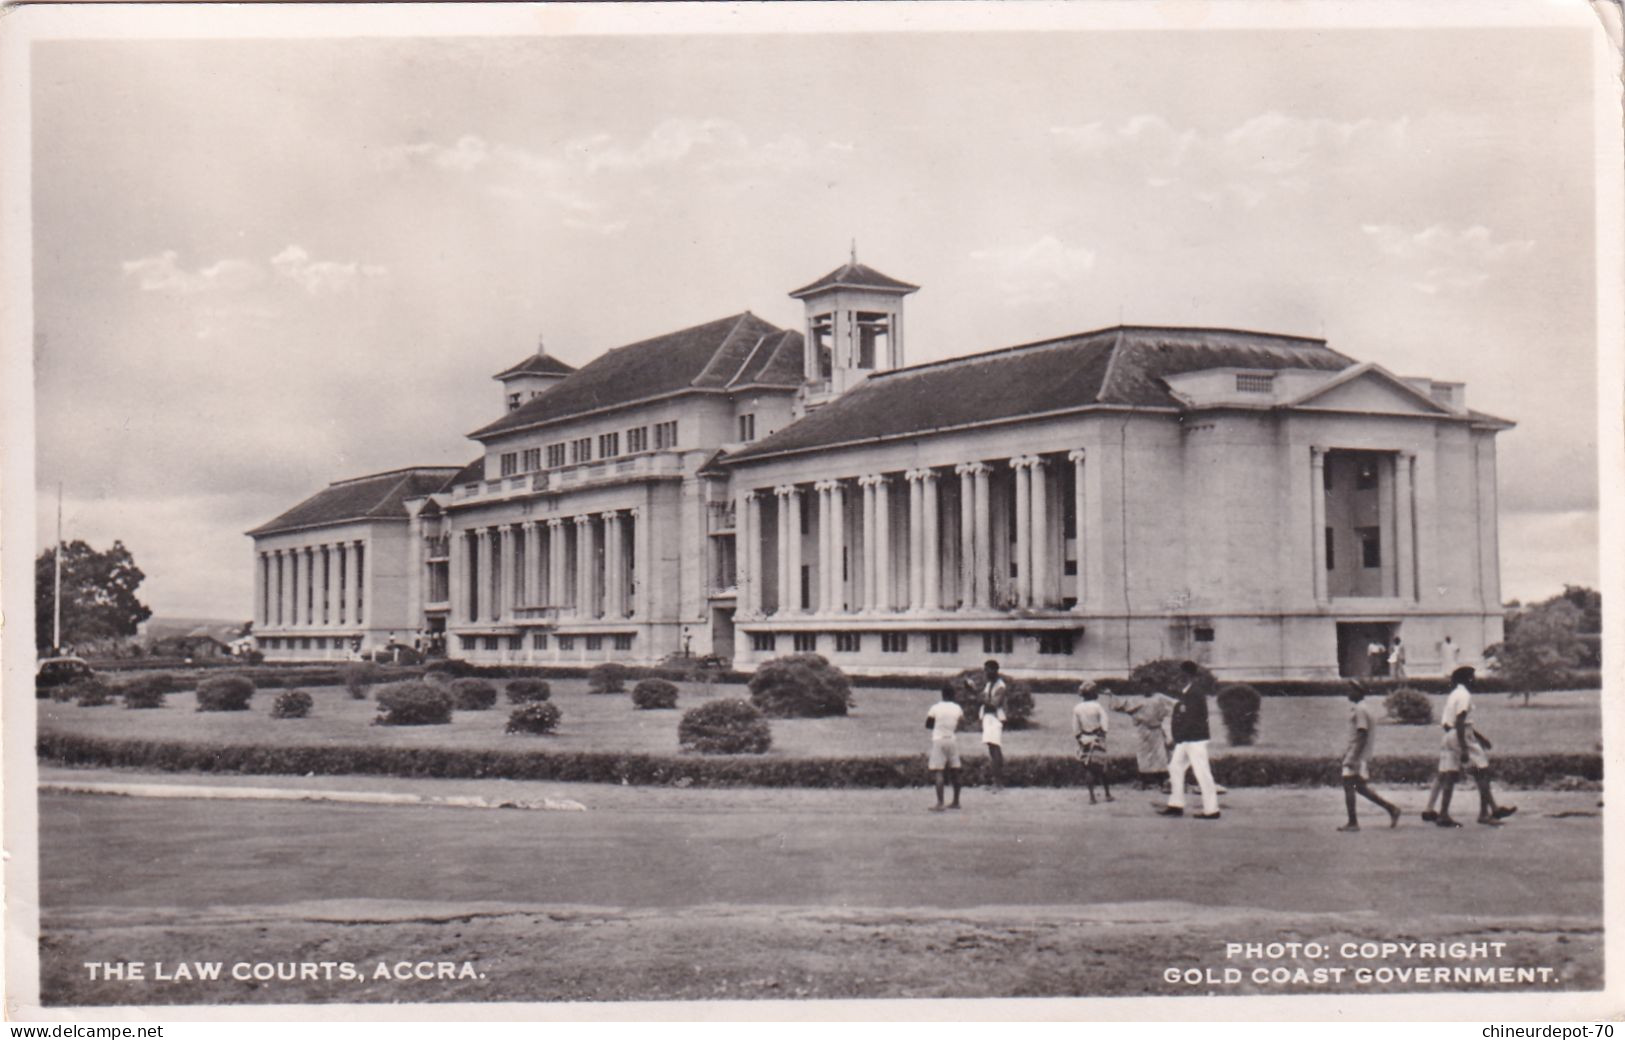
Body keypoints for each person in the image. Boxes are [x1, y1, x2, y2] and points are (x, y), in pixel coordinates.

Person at [1425, 666, 1517, 828]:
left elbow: (1453, 722)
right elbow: (1460, 721)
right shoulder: (1464, 695)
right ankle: (1485, 813)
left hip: (1449, 735)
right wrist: (1465, 747)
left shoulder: (1454, 694)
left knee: (1449, 775)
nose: (1475, 680)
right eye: (1473, 677)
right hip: (1461, 736)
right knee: (1483, 772)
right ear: (1466, 679)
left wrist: (1480, 737)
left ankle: (1444, 814)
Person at [1155, 661, 1220, 820]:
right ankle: (1176, 805)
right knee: (1175, 767)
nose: (1178, 677)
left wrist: (1177, 738)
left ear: (1188, 674)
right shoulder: (1188, 692)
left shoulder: (1194, 693)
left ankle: (1212, 810)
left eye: (1181, 673)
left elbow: (1191, 719)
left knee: (1202, 772)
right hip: (1187, 739)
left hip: (1194, 739)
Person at [1338, 682, 1401, 832]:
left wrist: (1352, 757)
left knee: (1348, 785)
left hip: (1357, 755)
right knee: (1360, 788)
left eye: (1351, 690)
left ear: (1359, 692)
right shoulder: (1363, 708)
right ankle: (1392, 809)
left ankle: (1353, 822)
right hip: (1358, 754)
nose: (1348, 692)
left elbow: (1362, 734)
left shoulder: (1360, 710)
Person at [1111, 685, 1176, 789]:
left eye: (1148, 686)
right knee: (1143, 755)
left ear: (1152, 687)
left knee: (1160, 756)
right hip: (1142, 731)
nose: (1146, 689)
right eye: (1144, 687)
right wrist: (1112, 695)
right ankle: (1143, 781)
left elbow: (1174, 704)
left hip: (1156, 730)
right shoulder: (1137, 700)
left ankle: (1163, 781)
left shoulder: (1159, 698)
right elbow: (1122, 704)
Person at [924, 684, 965, 812]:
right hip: (952, 740)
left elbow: (928, 724)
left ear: (942, 694)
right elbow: (962, 722)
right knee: (955, 770)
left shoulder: (935, 708)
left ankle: (940, 803)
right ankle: (956, 801)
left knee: (939, 772)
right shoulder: (957, 708)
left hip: (939, 740)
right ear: (953, 695)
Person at [1072, 681, 1112, 804]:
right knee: (1103, 767)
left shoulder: (1077, 708)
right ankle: (1107, 794)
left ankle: (1092, 797)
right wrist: (1103, 734)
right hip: (1097, 738)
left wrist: (1079, 738)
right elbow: (1105, 722)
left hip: (1085, 739)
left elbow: (1075, 727)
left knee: (1088, 768)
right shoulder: (1097, 706)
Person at [976, 659, 1009, 794]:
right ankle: (995, 782)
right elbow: (984, 698)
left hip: (995, 718)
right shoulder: (989, 684)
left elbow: (993, 704)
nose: (985, 673)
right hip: (988, 718)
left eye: (988, 670)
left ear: (995, 670)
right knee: (992, 749)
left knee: (995, 750)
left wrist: (977, 694)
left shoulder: (1000, 686)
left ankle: (998, 783)